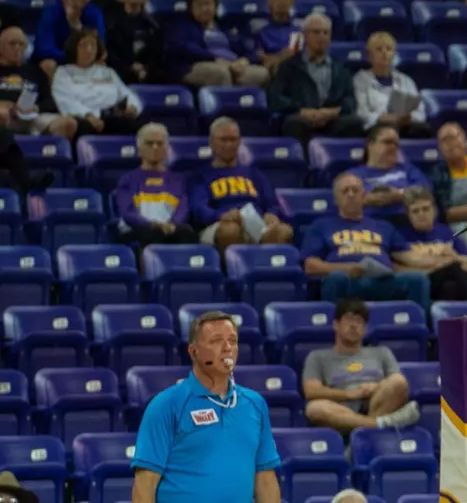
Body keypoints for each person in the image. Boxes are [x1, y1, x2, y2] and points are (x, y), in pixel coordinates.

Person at [131, 310, 281, 503]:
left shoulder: (255, 404)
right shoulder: (166, 405)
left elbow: (265, 480)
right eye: (216, 341)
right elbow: (145, 485)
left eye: (233, 341)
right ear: (194, 351)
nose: (227, 348)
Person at [298, 173, 430, 310]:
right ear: (336, 199)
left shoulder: (383, 226)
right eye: (345, 191)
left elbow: (408, 255)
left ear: (363, 196)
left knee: (418, 279)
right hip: (348, 280)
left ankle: (421, 329)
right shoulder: (321, 226)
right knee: (335, 279)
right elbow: (311, 266)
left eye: (355, 190)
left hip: (383, 281)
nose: (350, 195)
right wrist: (349, 268)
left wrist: (446, 257)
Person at [301, 298, 421, 434]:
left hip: (377, 402)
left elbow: (398, 384)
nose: (354, 326)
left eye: (359, 322)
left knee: (398, 381)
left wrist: (376, 387)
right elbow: (312, 391)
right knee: (314, 408)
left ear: (365, 329)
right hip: (342, 409)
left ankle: (361, 436)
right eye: (349, 320)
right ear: (336, 325)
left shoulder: (382, 352)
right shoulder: (317, 357)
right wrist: (350, 394)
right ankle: (382, 424)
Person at [191, 118, 293, 250]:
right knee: (231, 231)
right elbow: (199, 209)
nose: (229, 144)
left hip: (256, 225)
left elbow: (271, 203)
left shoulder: (253, 173)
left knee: (284, 231)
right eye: (223, 140)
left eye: (233, 139)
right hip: (220, 224)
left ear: (239, 142)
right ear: (211, 142)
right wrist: (221, 216)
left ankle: (262, 268)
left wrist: (271, 214)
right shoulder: (201, 175)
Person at [266, 13, 362, 140]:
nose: (321, 37)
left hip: (332, 118)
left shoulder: (341, 67)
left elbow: (350, 99)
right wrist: (302, 111)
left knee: (353, 123)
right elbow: (276, 98)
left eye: (325, 33)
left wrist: (333, 112)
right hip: (301, 116)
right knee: (295, 123)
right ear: (305, 35)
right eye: (316, 32)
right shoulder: (289, 66)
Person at [170, 0, 269, 89]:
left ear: (215, 6)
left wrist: (244, 60)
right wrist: (213, 58)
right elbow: (183, 47)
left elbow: (248, 46)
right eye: (199, 5)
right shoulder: (181, 27)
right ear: (191, 8)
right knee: (221, 73)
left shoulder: (226, 26)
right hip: (197, 65)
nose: (204, 9)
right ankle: (229, 104)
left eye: (208, 4)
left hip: (233, 64)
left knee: (262, 73)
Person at [114, 124, 192, 251]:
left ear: (167, 149)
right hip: (138, 230)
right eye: (149, 143)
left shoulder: (178, 180)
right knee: (153, 234)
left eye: (160, 143)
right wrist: (152, 225)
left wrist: (173, 224)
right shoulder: (127, 180)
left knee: (187, 234)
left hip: (169, 230)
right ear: (139, 149)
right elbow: (127, 213)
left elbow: (183, 208)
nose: (155, 147)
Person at [53, 28, 144, 135]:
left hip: (113, 117)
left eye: (93, 45)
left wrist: (132, 106)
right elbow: (66, 100)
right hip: (84, 119)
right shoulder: (63, 73)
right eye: (83, 45)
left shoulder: (107, 72)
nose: (89, 50)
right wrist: (88, 115)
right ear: (74, 48)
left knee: (140, 127)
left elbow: (126, 93)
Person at [399, 185, 467, 300]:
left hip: (449, 284)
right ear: (408, 215)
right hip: (425, 283)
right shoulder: (401, 236)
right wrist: (443, 264)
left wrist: (455, 258)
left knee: (450, 287)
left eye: (426, 209)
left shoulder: (445, 231)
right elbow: (398, 270)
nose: (421, 214)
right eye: (415, 211)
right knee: (453, 268)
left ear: (435, 210)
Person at [0, 23, 76, 144]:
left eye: (21, 44)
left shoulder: (35, 71)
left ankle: (47, 153)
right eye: (12, 44)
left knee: (68, 124)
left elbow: (50, 103)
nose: (17, 48)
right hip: (5, 116)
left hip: (32, 118)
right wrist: (5, 105)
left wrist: (37, 108)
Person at [352, 32, 428, 136]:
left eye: (388, 49)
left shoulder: (406, 80)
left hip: (404, 127)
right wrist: (381, 118)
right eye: (379, 49)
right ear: (369, 56)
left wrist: (408, 118)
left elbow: (420, 112)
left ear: (394, 54)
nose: (384, 53)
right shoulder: (360, 79)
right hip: (376, 128)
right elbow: (361, 112)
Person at [354, 124, 432, 223]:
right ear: (370, 145)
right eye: (387, 142)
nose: (393, 147)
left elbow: (425, 192)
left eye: (396, 144)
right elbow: (343, 200)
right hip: (370, 225)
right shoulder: (354, 175)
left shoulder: (408, 170)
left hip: (408, 223)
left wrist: (399, 195)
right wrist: (365, 199)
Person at [33, 0, 107, 75]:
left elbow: (100, 46)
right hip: (59, 61)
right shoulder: (50, 13)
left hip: (85, 60)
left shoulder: (94, 13)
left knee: (101, 64)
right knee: (48, 65)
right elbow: (45, 49)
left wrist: (76, 25)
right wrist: (75, 57)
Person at [426, 122, 467, 244]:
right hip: (457, 225)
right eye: (444, 141)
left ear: (464, 139)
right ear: (439, 148)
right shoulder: (437, 175)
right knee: (462, 236)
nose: (450, 144)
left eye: (453, 138)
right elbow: (442, 213)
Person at [104, 0, 166, 86]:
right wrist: (130, 67)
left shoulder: (154, 25)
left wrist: (145, 68)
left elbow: (159, 56)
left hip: (148, 74)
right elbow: (110, 54)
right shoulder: (111, 23)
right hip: (119, 73)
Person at [247, 0, 302, 73]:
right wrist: (281, 57)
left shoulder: (301, 28)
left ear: (292, 1)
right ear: (268, 0)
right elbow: (259, 57)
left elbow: (300, 56)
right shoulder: (257, 27)